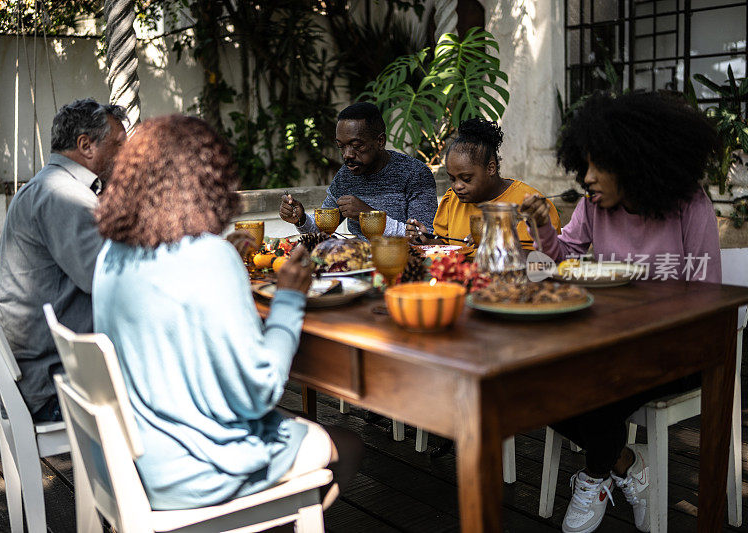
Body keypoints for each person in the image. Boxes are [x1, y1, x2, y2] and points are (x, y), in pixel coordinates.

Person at [93, 115, 362, 512]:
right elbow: (259, 392)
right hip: (196, 470)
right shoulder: (208, 257)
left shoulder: (111, 254)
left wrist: (223, 258)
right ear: (207, 180)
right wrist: (289, 298)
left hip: (129, 462)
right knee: (347, 445)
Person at [520, 91, 721, 533]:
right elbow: (561, 259)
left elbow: (708, 295)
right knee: (531, 380)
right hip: (608, 339)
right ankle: (628, 463)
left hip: (678, 350)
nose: (587, 179)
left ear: (635, 163)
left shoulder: (689, 204)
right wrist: (542, 227)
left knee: (599, 391)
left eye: (600, 167)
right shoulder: (594, 205)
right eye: (585, 165)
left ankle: (594, 477)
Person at [0, 98, 127, 421]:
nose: (127, 156)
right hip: (56, 387)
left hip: (43, 372)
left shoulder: (48, 186)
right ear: (86, 145)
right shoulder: (64, 196)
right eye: (119, 145)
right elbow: (111, 283)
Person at [280, 102, 437, 239]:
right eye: (341, 146)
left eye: (357, 145)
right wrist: (301, 219)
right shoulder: (346, 175)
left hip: (402, 266)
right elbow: (323, 229)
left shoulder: (415, 174)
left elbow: (424, 237)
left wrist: (368, 216)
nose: (347, 154)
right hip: (355, 262)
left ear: (380, 141)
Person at [406, 118, 561, 249]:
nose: (457, 186)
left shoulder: (528, 205)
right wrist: (427, 241)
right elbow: (447, 246)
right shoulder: (452, 200)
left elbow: (545, 261)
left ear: (491, 168)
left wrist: (498, 243)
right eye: (452, 179)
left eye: (466, 179)